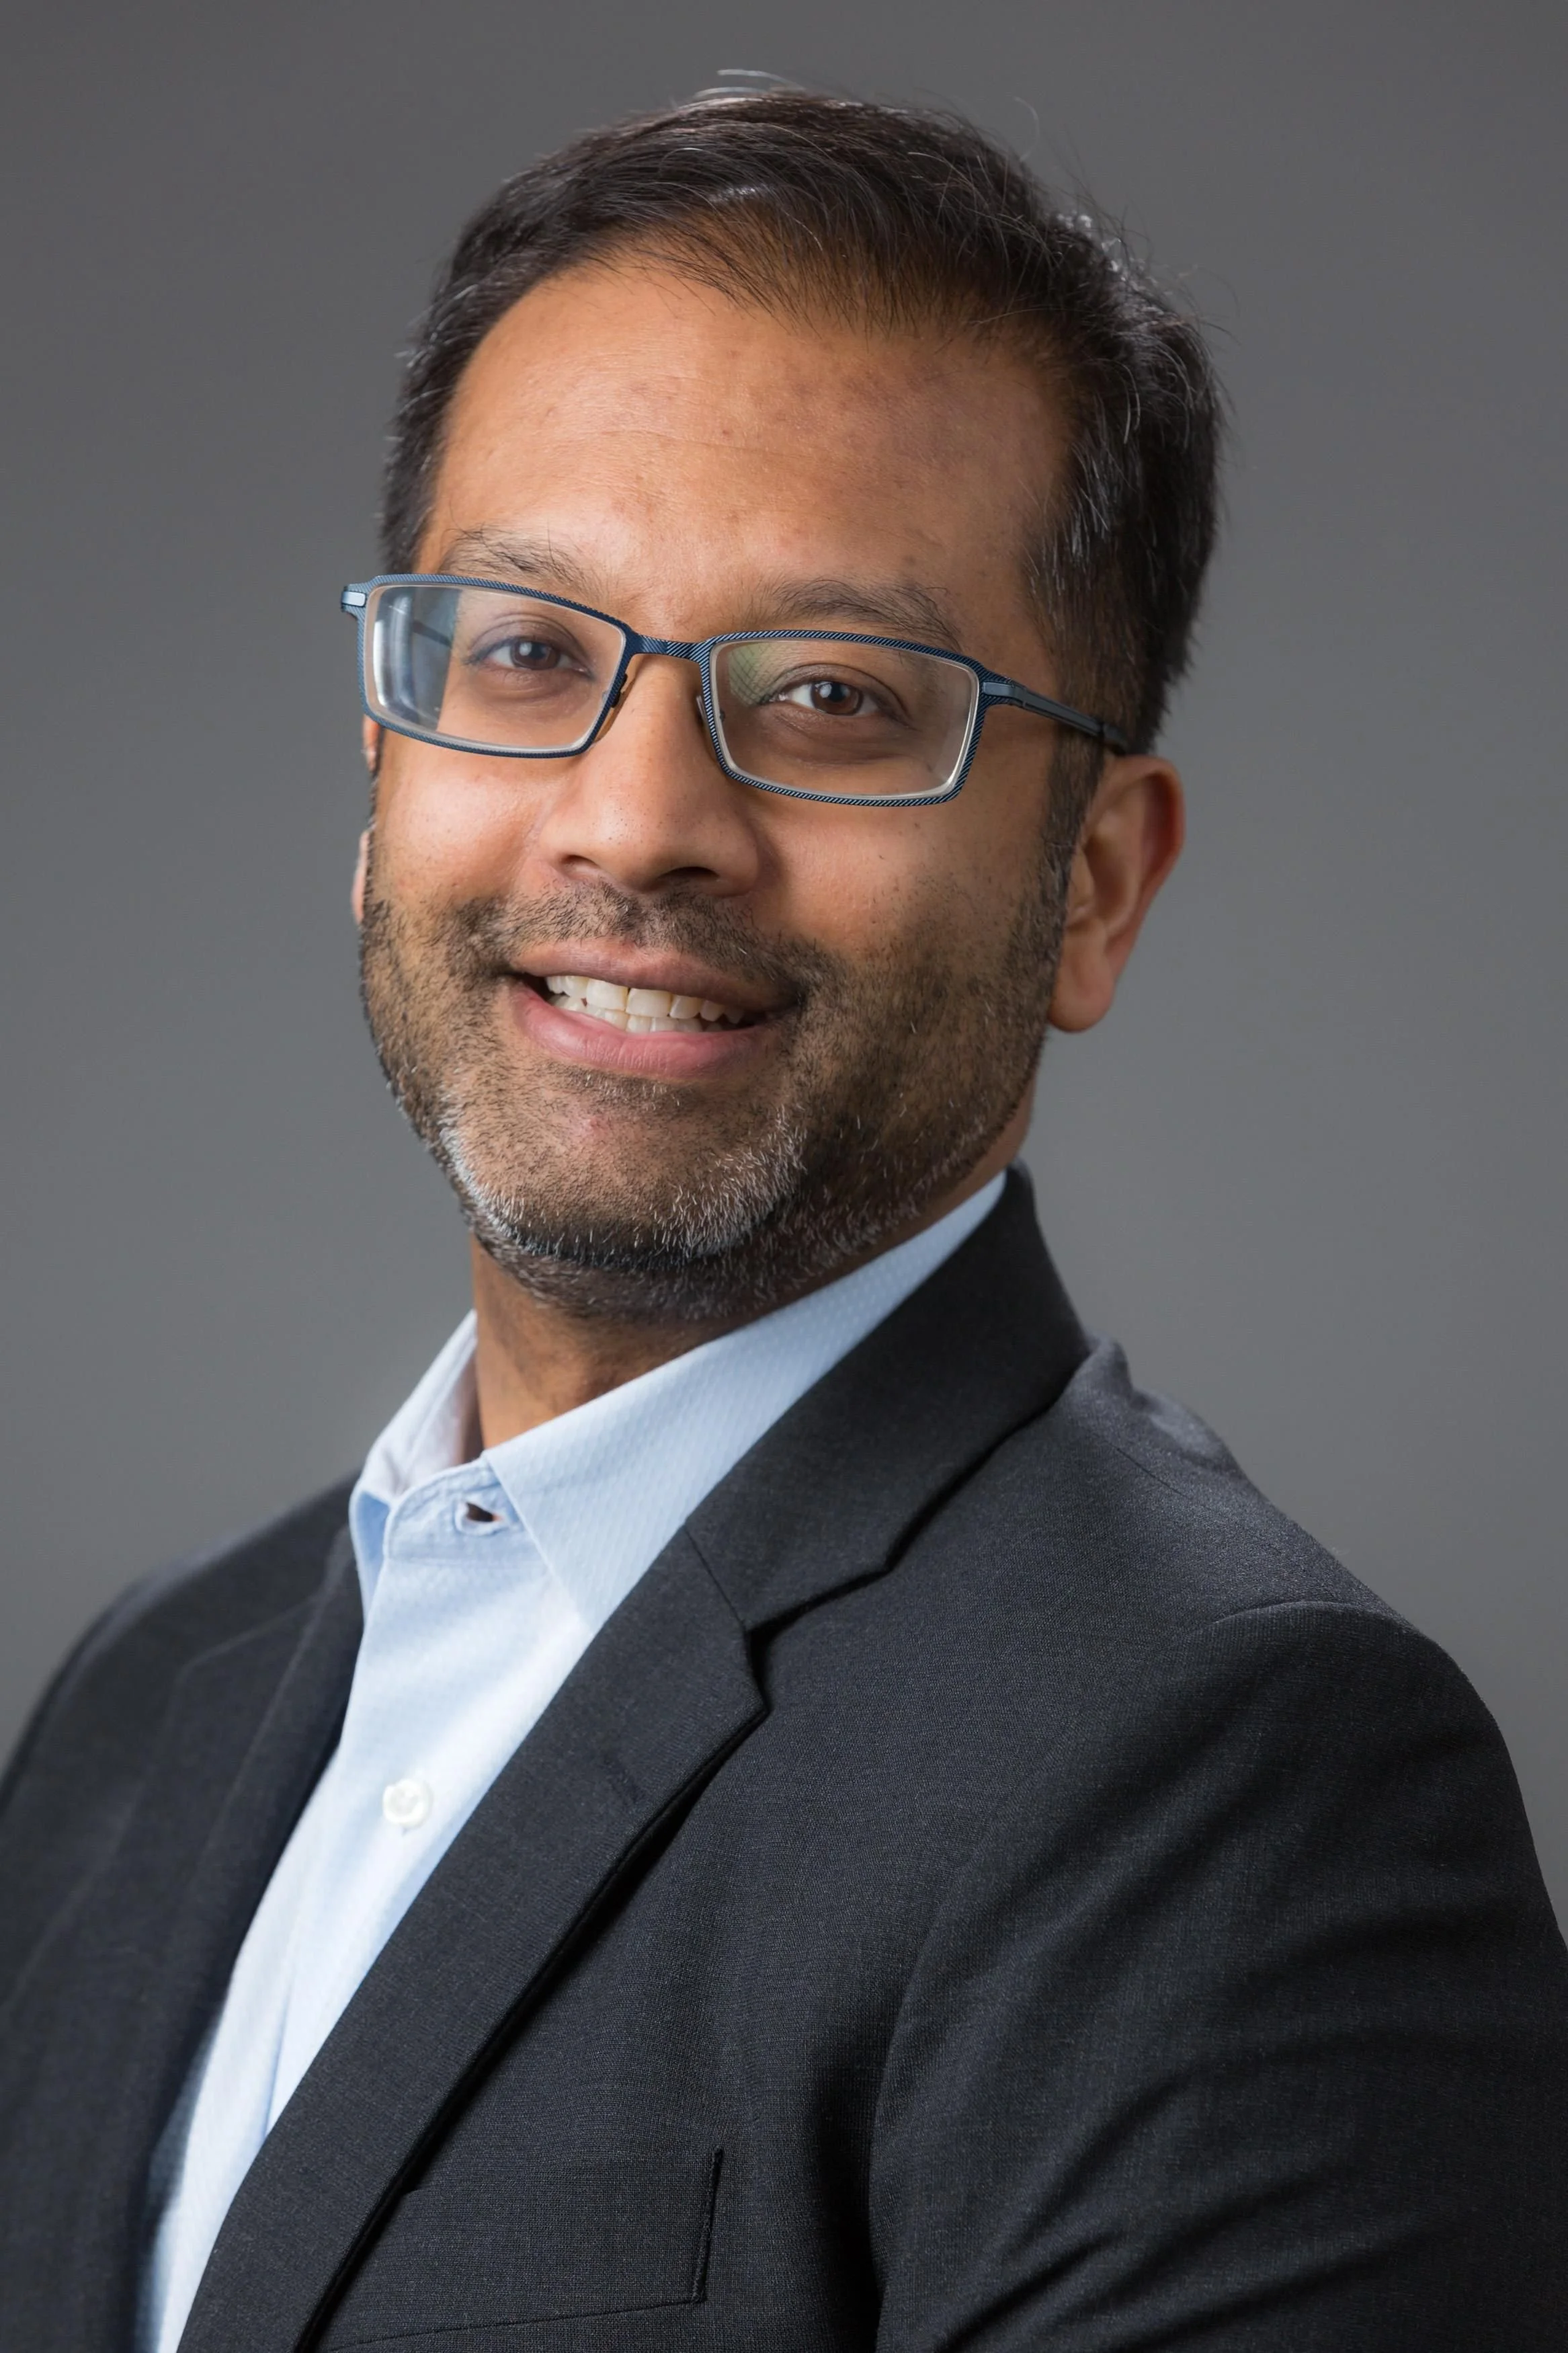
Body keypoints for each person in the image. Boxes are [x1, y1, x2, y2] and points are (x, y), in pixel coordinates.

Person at [1, 84, 1563, 2353]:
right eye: (524, 652)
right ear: (381, 774)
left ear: (1091, 886)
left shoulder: (1236, 1776)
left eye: (832, 696)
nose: (635, 820)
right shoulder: (149, 1704)